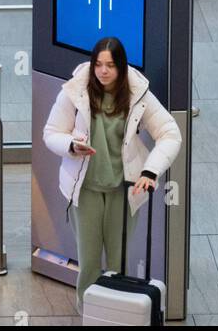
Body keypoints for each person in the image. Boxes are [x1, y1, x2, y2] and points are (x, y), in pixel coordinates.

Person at [42, 36, 181, 310]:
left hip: (123, 190)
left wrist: (150, 171)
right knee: (90, 263)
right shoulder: (75, 91)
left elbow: (170, 133)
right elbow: (51, 133)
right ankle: (89, 314)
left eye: (110, 65)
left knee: (118, 263)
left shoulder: (138, 93)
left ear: (122, 67)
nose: (103, 71)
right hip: (86, 190)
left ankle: (115, 314)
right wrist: (71, 145)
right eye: (98, 64)